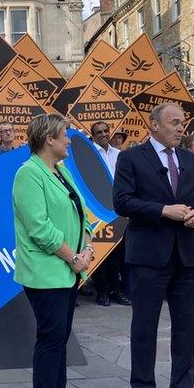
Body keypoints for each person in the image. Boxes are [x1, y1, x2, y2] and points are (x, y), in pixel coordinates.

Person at [113, 102, 194, 388]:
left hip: (185, 256)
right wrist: (162, 210)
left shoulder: (190, 160)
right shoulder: (131, 158)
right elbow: (122, 201)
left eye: (182, 122)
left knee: (186, 326)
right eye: (174, 122)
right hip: (147, 256)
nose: (180, 127)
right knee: (144, 325)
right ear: (153, 125)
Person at [13, 113, 93, 388]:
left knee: (60, 338)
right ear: (49, 139)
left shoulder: (60, 171)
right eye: (65, 135)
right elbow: (39, 228)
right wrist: (73, 257)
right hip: (47, 273)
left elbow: (81, 210)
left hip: (68, 270)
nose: (70, 140)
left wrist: (87, 246)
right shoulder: (28, 174)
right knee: (50, 340)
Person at [88, 121, 129, 307]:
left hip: (119, 209)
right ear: (93, 135)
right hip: (98, 209)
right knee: (101, 251)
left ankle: (116, 289)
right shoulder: (88, 154)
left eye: (106, 131)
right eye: (99, 132)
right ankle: (102, 290)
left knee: (118, 252)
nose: (103, 135)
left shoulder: (119, 154)